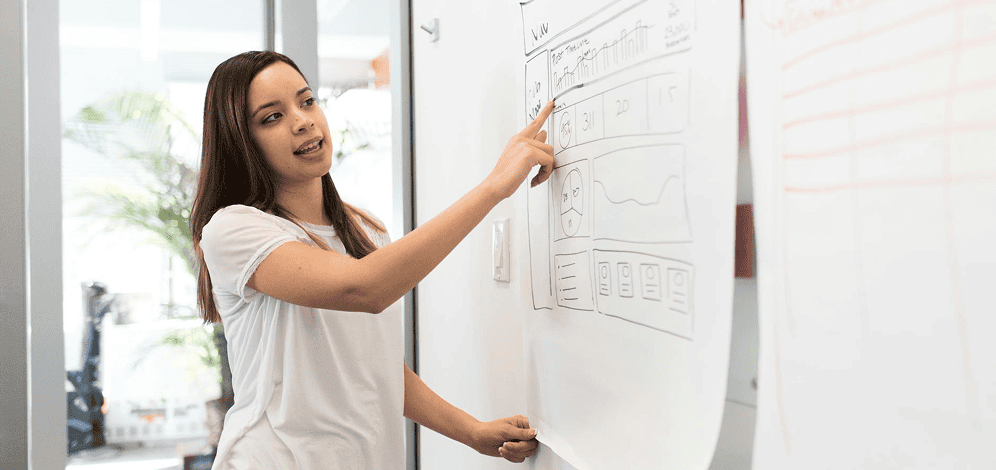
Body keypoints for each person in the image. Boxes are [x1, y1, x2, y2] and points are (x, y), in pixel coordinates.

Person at [190, 50, 555, 469]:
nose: (303, 120)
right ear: (240, 140)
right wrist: (494, 187)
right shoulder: (233, 230)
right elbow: (364, 288)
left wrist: (471, 432)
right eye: (271, 117)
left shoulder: (365, 230)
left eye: (306, 101)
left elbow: (376, 369)